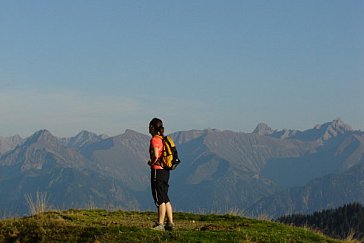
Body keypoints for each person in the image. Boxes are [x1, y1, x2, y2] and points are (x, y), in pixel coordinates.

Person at [148, 118, 175, 231]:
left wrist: (151, 162)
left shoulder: (154, 139)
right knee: (165, 196)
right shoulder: (163, 139)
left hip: (157, 171)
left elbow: (155, 154)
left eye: (150, 126)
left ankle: (160, 224)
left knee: (159, 198)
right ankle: (170, 223)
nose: (148, 128)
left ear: (153, 127)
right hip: (165, 171)